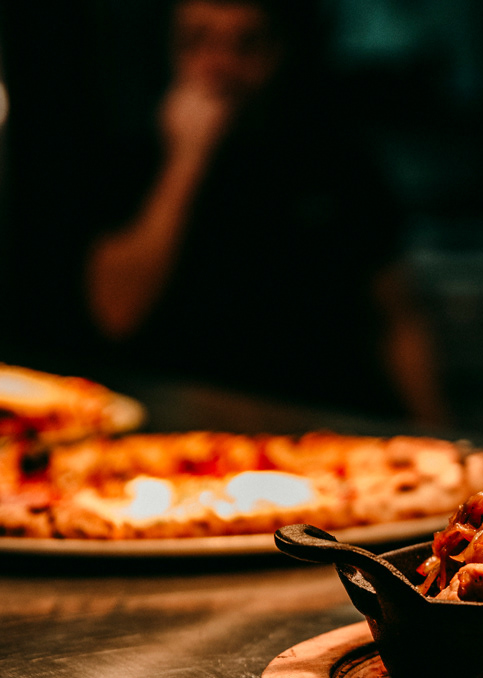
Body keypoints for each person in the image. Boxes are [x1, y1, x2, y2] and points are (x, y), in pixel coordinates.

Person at [85, 0, 447, 425]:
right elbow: (116, 314)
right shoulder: (135, 160)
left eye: (247, 44)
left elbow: (397, 316)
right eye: (197, 41)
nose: (220, 64)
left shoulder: (336, 158)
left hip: (326, 421)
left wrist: (436, 429)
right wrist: (186, 161)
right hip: (189, 429)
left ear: (280, 52)